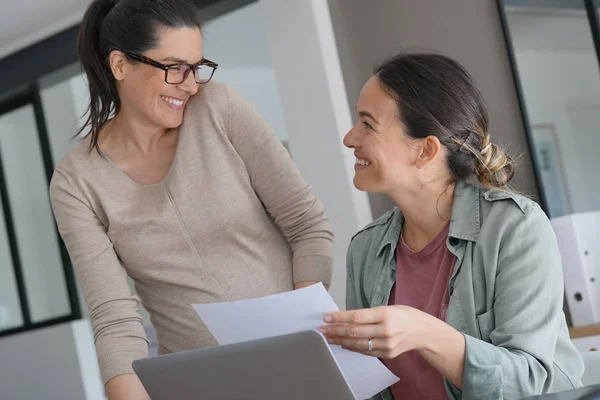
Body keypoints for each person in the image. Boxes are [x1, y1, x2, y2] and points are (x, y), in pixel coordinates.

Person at [49, 0, 333, 399]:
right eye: (174, 68)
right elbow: (115, 318)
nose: (190, 84)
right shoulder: (77, 180)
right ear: (119, 65)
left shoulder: (220, 109)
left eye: (196, 67)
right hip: (197, 386)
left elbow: (307, 226)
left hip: (299, 366)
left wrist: (303, 335)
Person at [318, 53, 584, 399]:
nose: (350, 138)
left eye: (368, 124)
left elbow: (528, 382)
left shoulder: (515, 228)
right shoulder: (365, 249)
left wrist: (423, 332)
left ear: (425, 151)